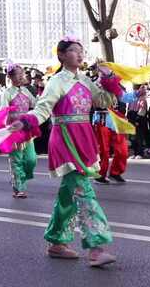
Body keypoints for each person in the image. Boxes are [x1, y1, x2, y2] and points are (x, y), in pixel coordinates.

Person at [9, 37, 122, 267]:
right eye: (73, 51)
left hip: (84, 138)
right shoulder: (56, 82)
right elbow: (43, 109)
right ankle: (96, 247)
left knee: (68, 194)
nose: (79, 55)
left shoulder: (85, 80)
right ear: (61, 56)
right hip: (66, 139)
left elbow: (104, 101)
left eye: (81, 51)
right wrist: (27, 122)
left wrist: (108, 79)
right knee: (84, 191)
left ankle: (56, 241)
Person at [1, 63, 37, 199]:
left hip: (27, 129)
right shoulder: (7, 93)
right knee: (16, 159)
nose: (22, 76)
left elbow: (35, 104)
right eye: (18, 74)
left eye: (22, 73)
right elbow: (3, 112)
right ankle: (18, 187)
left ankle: (19, 177)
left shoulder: (27, 91)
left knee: (31, 159)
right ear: (10, 77)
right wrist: (7, 127)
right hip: (14, 130)